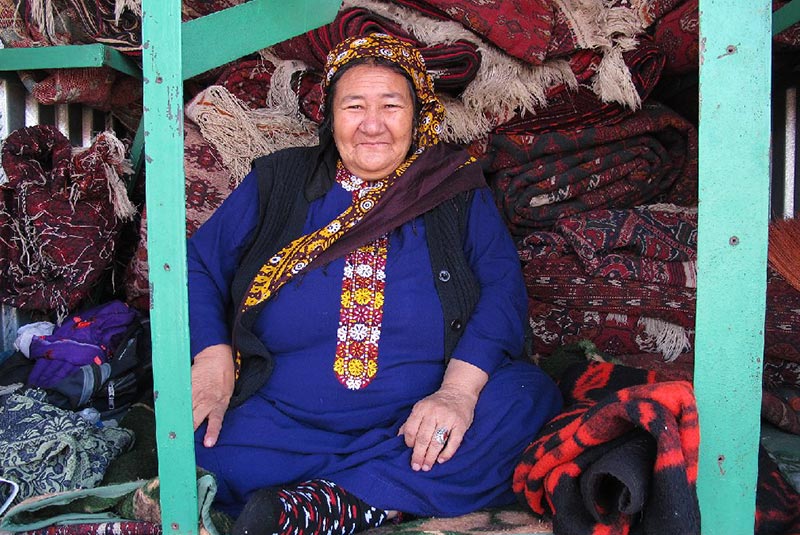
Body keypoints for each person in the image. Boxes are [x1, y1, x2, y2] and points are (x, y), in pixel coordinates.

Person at [187, 33, 562, 535]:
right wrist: (211, 359)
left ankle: (333, 505)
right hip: (283, 426)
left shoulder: (455, 190)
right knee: (203, 442)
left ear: (418, 114)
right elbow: (197, 266)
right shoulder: (278, 182)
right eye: (354, 106)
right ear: (330, 115)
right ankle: (370, 496)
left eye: (391, 105)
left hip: (414, 424)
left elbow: (503, 292)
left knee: (525, 397)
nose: (372, 125)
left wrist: (457, 392)